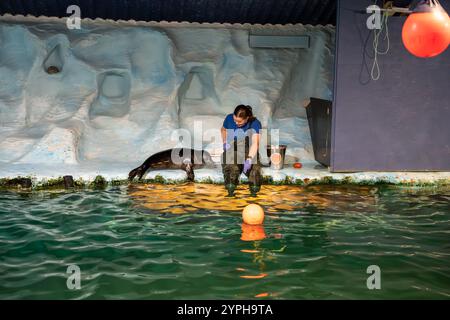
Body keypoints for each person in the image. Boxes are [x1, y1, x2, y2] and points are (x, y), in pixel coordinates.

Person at [221, 105, 262, 196]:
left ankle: (254, 194)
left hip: (249, 150)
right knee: (231, 168)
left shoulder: (255, 123)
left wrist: (249, 159)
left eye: (239, 121)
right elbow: (223, 130)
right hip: (232, 149)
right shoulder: (229, 118)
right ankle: (230, 192)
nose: (236, 123)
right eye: (234, 119)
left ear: (247, 118)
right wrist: (224, 142)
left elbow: (255, 143)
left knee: (255, 171)